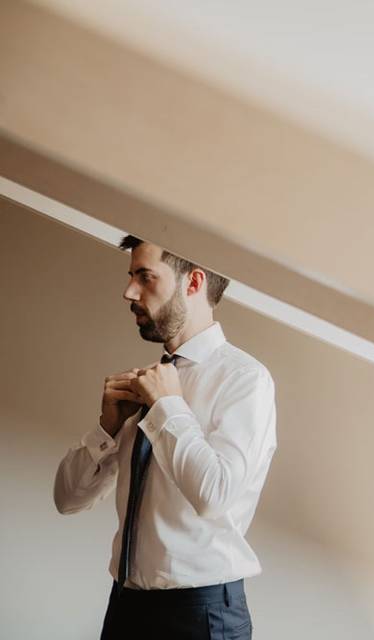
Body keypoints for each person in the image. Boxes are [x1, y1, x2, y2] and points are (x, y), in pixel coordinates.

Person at [53, 235, 277, 639]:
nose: (129, 292)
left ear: (193, 283)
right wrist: (105, 429)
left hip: (201, 617)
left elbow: (214, 494)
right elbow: (67, 500)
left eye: (145, 277)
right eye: (130, 276)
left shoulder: (245, 380)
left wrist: (169, 407)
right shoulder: (147, 384)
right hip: (125, 608)